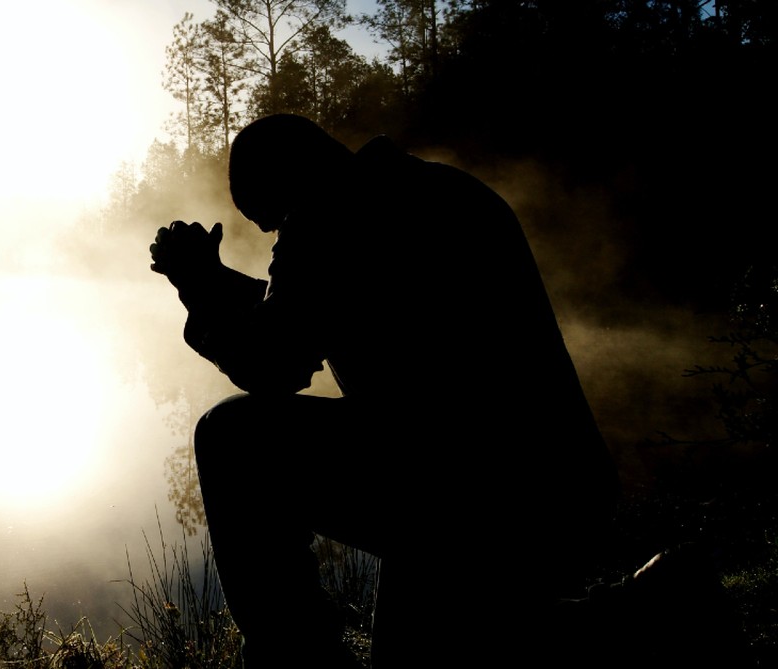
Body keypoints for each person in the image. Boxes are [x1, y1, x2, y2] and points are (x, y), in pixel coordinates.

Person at [149, 114, 619, 667]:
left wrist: (202, 294)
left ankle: (296, 659)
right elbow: (313, 305)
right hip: (553, 487)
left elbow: (275, 363)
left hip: (463, 493)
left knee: (230, 437)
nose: (280, 236)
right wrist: (221, 282)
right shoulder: (433, 188)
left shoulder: (330, 219)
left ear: (292, 179)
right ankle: (647, 607)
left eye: (275, 222)